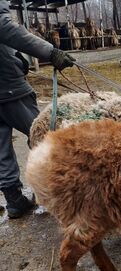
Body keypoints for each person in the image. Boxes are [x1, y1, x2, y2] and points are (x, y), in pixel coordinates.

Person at [0, 0, 75, 218]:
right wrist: (50, 52)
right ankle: (57, 193)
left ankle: (14, 200)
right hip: (8, 86)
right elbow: (5, 29)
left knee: (1, 144)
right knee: (44, 136)